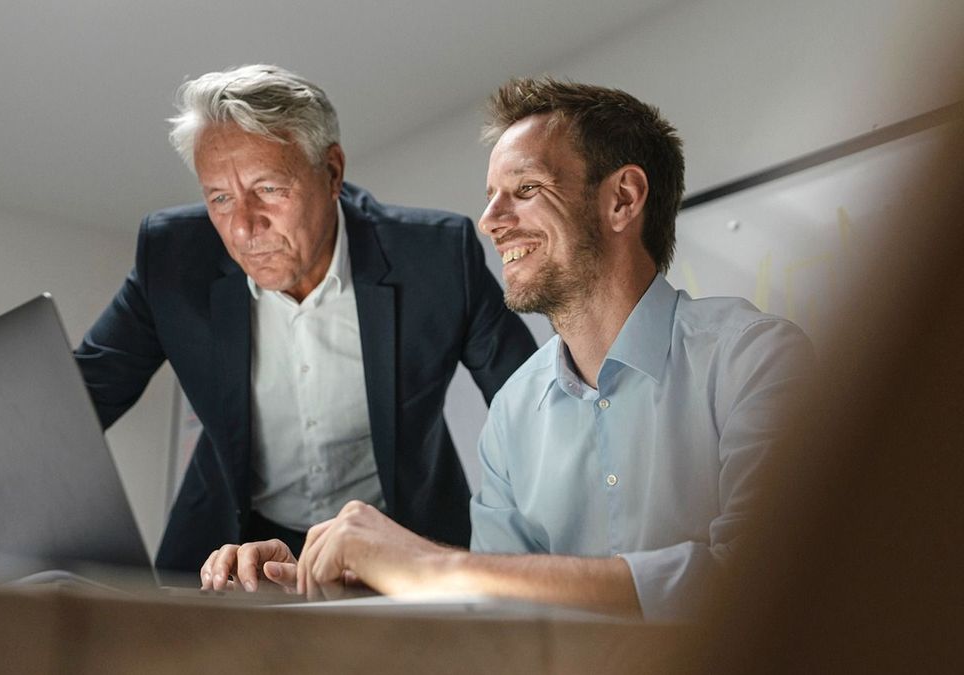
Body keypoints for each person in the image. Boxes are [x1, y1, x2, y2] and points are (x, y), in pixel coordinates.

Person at [203, 77, 814, 620]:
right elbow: (496, 616)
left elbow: (764, 583)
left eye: (524, 188)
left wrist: (431, 565)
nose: (490, 220)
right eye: (491, 195)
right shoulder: (513, 414)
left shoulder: (754, 361)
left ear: (623, 199)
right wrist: (328, 587)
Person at [0, 64, 536, 577]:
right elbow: (55, 424)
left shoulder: (437, 255)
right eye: (220, 198)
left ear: (333, 171)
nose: (243, 228)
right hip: (226, 546)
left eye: (268, 190)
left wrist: (555, 570)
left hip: (399, 537)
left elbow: (533, 414)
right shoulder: (172, 258)